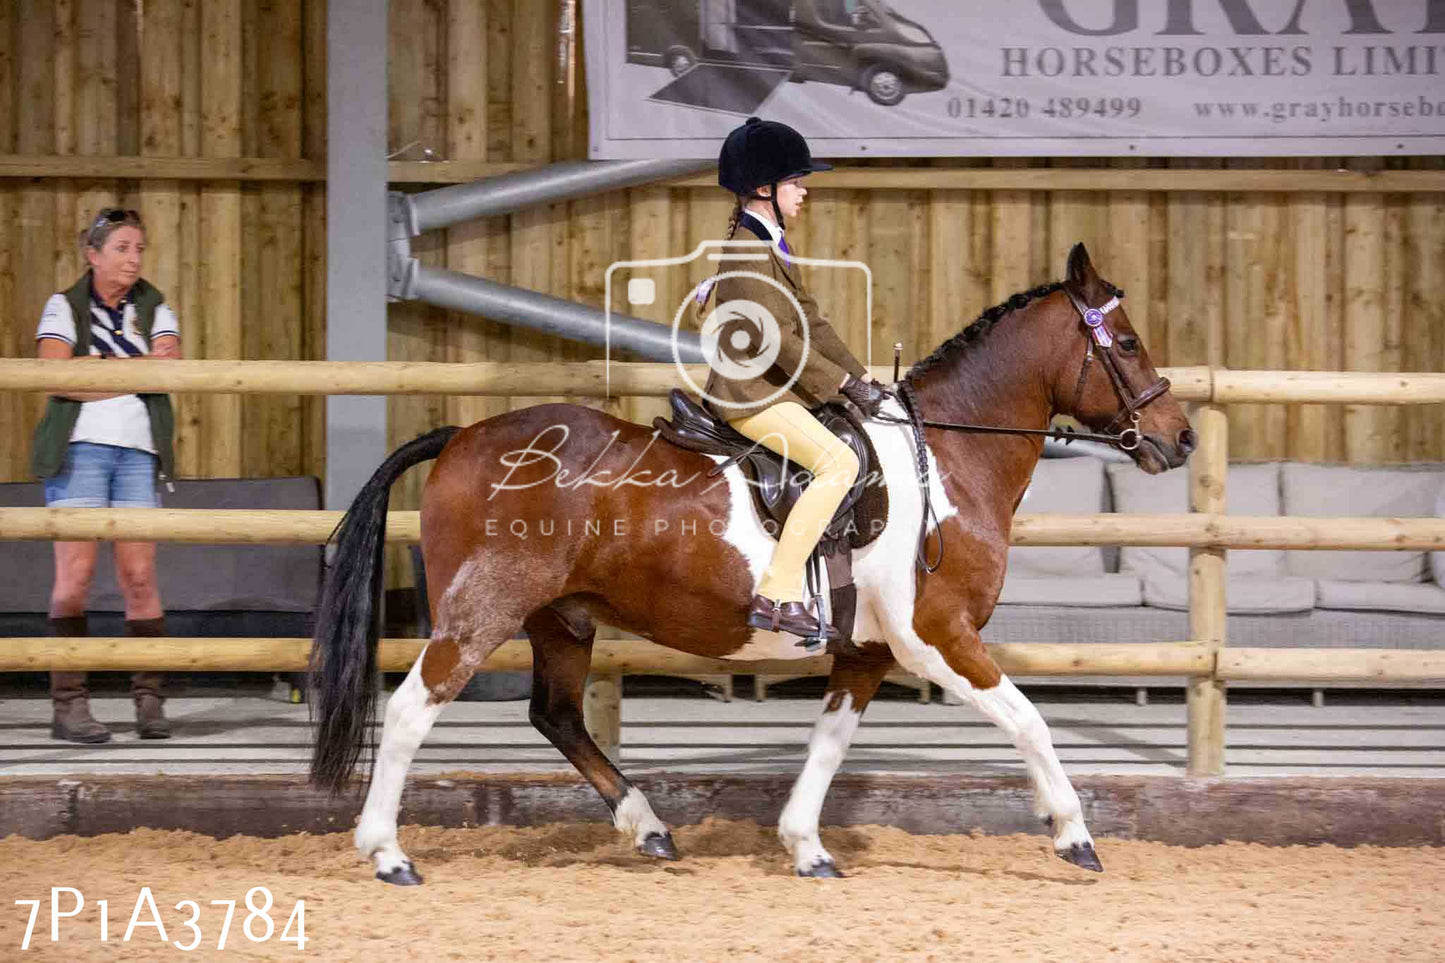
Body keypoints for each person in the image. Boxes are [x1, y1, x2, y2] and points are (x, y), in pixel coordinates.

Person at [702, 117, 888, 641]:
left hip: (771, 388)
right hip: (750, 396)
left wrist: (859, 374)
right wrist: (843, 387)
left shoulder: (770, 241)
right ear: (765, 189)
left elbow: (810, 321)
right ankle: (778, 592)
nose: (804, 193)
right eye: (796, 183)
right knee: (839, 462)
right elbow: (776, 340)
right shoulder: (748, 249)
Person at [32, 208, 181, 743]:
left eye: (139, 248)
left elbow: (168, 368)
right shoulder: (63, 305)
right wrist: (133, 373)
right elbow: (54, 378)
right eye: (121, 248)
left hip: (139, 452)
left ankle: (150, 702)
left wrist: (94, 368)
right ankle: (68, 705)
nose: (133, 258)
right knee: (73, 578)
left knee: (139, 578)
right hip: (80, 451)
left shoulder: (156, 305)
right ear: (92, 255)